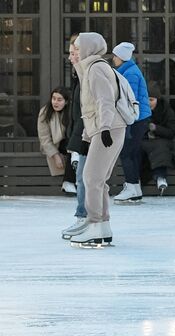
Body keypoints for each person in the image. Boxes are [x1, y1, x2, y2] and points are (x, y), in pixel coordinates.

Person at [69, 32, 126, 246]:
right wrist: (87, 134)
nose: (74, 51)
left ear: (88, 47)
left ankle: (95, 224)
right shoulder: (91, 68)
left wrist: (103, 128)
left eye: (77, 46)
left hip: (109, 128)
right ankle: (102, 226)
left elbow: (104, 101)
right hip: (105, 129)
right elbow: (89, 105)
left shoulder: (96, 68)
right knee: (97, 179)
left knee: (91, 178)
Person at [111, 41, 152, 203]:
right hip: (137, 118)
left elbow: (129, 99)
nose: (113, 59)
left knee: (127, 152)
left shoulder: (130, 73)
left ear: (121, 57)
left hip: (135, 119)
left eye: (115, 56)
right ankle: (134, 186)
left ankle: (131, 185)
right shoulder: (127, 71)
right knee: (131, 152)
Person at [62, 33, 89, 240]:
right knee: (85, 179)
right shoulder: (80, 75)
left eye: (74, 52)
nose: (70, 57)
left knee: (87, 179)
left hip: (91, 136)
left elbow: (88, 113)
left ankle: (87, 218)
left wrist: (76, 142)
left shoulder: (90, 74)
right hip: (84, 135)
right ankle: (86, 217)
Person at [37, 86, 76, 195]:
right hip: (55, 145)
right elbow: (44, 138)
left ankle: (68, 182)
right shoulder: (45, 112)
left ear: (66, 102)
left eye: (59, 100)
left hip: (69, 144)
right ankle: (68, 182)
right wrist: (55, 155)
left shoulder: (71, 112)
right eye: (53, 98)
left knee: (74, 148)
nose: (55, 102)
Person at [141, 83, 175, 194]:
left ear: (157, 99)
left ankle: (160, 176)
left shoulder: (166, 110)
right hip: (145, 142)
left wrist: (156, 128)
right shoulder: (141, 111)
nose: (149, 103)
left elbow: (171, 131)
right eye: (146, 99)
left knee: (161, 148)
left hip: (162, 141)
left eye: (151, 100)